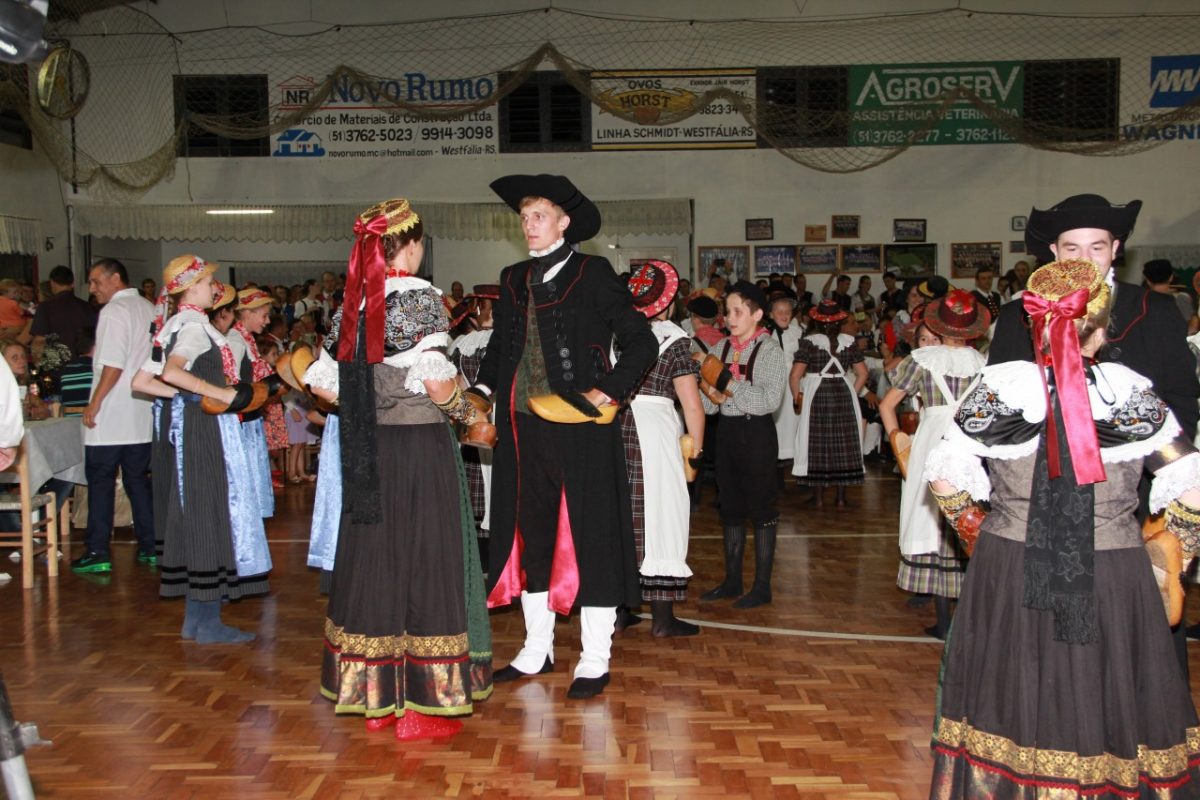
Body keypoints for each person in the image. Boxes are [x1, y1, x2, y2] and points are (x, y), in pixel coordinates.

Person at [923, 258, 1200, 796]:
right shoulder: (1129, 392)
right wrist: (1173, 555)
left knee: (1013, 695)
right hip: (1113, 569)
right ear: (1102, 328)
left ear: (1035, 325)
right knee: (1103, 697)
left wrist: (977, 531)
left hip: (1010, 565)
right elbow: (1193, 486)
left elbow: (944, 475)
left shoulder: (999, 388)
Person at [303, 198, 492, 739]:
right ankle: (420, 702)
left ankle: (374, 693)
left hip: (370, 448)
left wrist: (371, 403)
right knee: (425, 559)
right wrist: (468, 418)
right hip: (419, 448)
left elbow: (322, 386)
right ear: (412, 245)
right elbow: (436, 383)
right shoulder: (421, 299)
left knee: (376, 560)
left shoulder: (352, 303)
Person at [470, 173, 656, 700]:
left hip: (581, 429)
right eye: (524, 217)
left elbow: (641, 344)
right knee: (531, 535)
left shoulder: (594, 273)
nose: (529, 225)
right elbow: (500, 350)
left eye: (539, 216)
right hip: (522, 430)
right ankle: (537, 647)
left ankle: (595, 657)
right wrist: (480, 394)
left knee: (591, 537)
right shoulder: (510, 278)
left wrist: (606, 393)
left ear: (564, 222)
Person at [130, 254, 274, 644]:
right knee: (210, 513)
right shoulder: (194, 326)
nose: (215, 288)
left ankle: (197, 618)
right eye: (210, 282)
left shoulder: (175, 324)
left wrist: (185, 400)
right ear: (192, 287)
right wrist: (217, 394)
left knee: (197, 513)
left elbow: (143, 381)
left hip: (194, 427)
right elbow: (173, 372)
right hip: (205, 434)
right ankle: (207, 622)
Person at [878, 290, 989, 639]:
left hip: (932, 442)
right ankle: (968, 621)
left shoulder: (922, 360)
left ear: (938, 326)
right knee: (969, 519)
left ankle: (943, 622)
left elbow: (886, 405)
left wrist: (899, 440)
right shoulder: (985, 364)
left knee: (933, 521)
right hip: (972, 441)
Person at [619, 260, 705, 636]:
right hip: (654, 428)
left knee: (623, 512)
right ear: (668, 305)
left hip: (617, 424)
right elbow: (692, 405)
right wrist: (695, 452)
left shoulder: (618, 334)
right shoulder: (675, 341)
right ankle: (663, 619)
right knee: (663, 513)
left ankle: (620, 611)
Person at [698, 281, 786, 608]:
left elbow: (767, 401)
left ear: (757, 314)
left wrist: (726, 382)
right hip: (728, 434)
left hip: (758, 434)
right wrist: (709, 393)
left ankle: (762, 586)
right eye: (728, 311)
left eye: (738, 311)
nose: (730, 318)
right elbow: (710, 406)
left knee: (762, 509)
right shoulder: (719, 348)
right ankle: (732, 580)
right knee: (730, 508)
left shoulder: (769, 350)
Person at [70, 258, 157, 573]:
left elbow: (113, 363)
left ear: (115, 278)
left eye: (96, 281)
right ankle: (150, 545)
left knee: (101, 481)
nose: (92, 289)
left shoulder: (113, 311)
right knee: (138, 481)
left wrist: (95, 403)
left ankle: (97, 550)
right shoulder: (149, 307)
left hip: (113, 412)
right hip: (142, 410)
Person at [790, 300, 868, 507]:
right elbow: (862, 373)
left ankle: (818, 499)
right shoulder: (849, 342)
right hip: (843, 390)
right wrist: (853, 390)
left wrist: (797, 398)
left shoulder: (809, 342)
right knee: (844, 443)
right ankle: (841, 499)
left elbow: (795, 375)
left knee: (816, 442)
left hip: (817, 392)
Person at [226, 286, 277, 516]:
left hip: (251, 417)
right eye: (263, 315)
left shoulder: (247, 340)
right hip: (242, 418)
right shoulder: (236, 341)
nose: (267, 321)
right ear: (246, 312)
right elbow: (232, 381)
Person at [29, 265, 97, 358]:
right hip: (84, 363)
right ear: (73, 283)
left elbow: (39, 341)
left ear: (52, 283)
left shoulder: (45, 307)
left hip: (57, 364)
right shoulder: (88, 307)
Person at [767, 294, 803, 463]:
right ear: (771, 314)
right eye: (779, 312)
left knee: (795, 419)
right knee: (778, 420)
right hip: (776, 380)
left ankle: (793, 454)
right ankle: (777, 453)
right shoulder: (766, 334)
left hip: (795, 380)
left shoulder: (798, 332)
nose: (784, 315)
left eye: (787, 312)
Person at [1142, 258, 1194, 323]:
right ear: (1171, 277)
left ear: (1148, 280)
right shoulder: (1181, 298)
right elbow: (1190, 328)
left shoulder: (1139, 301)